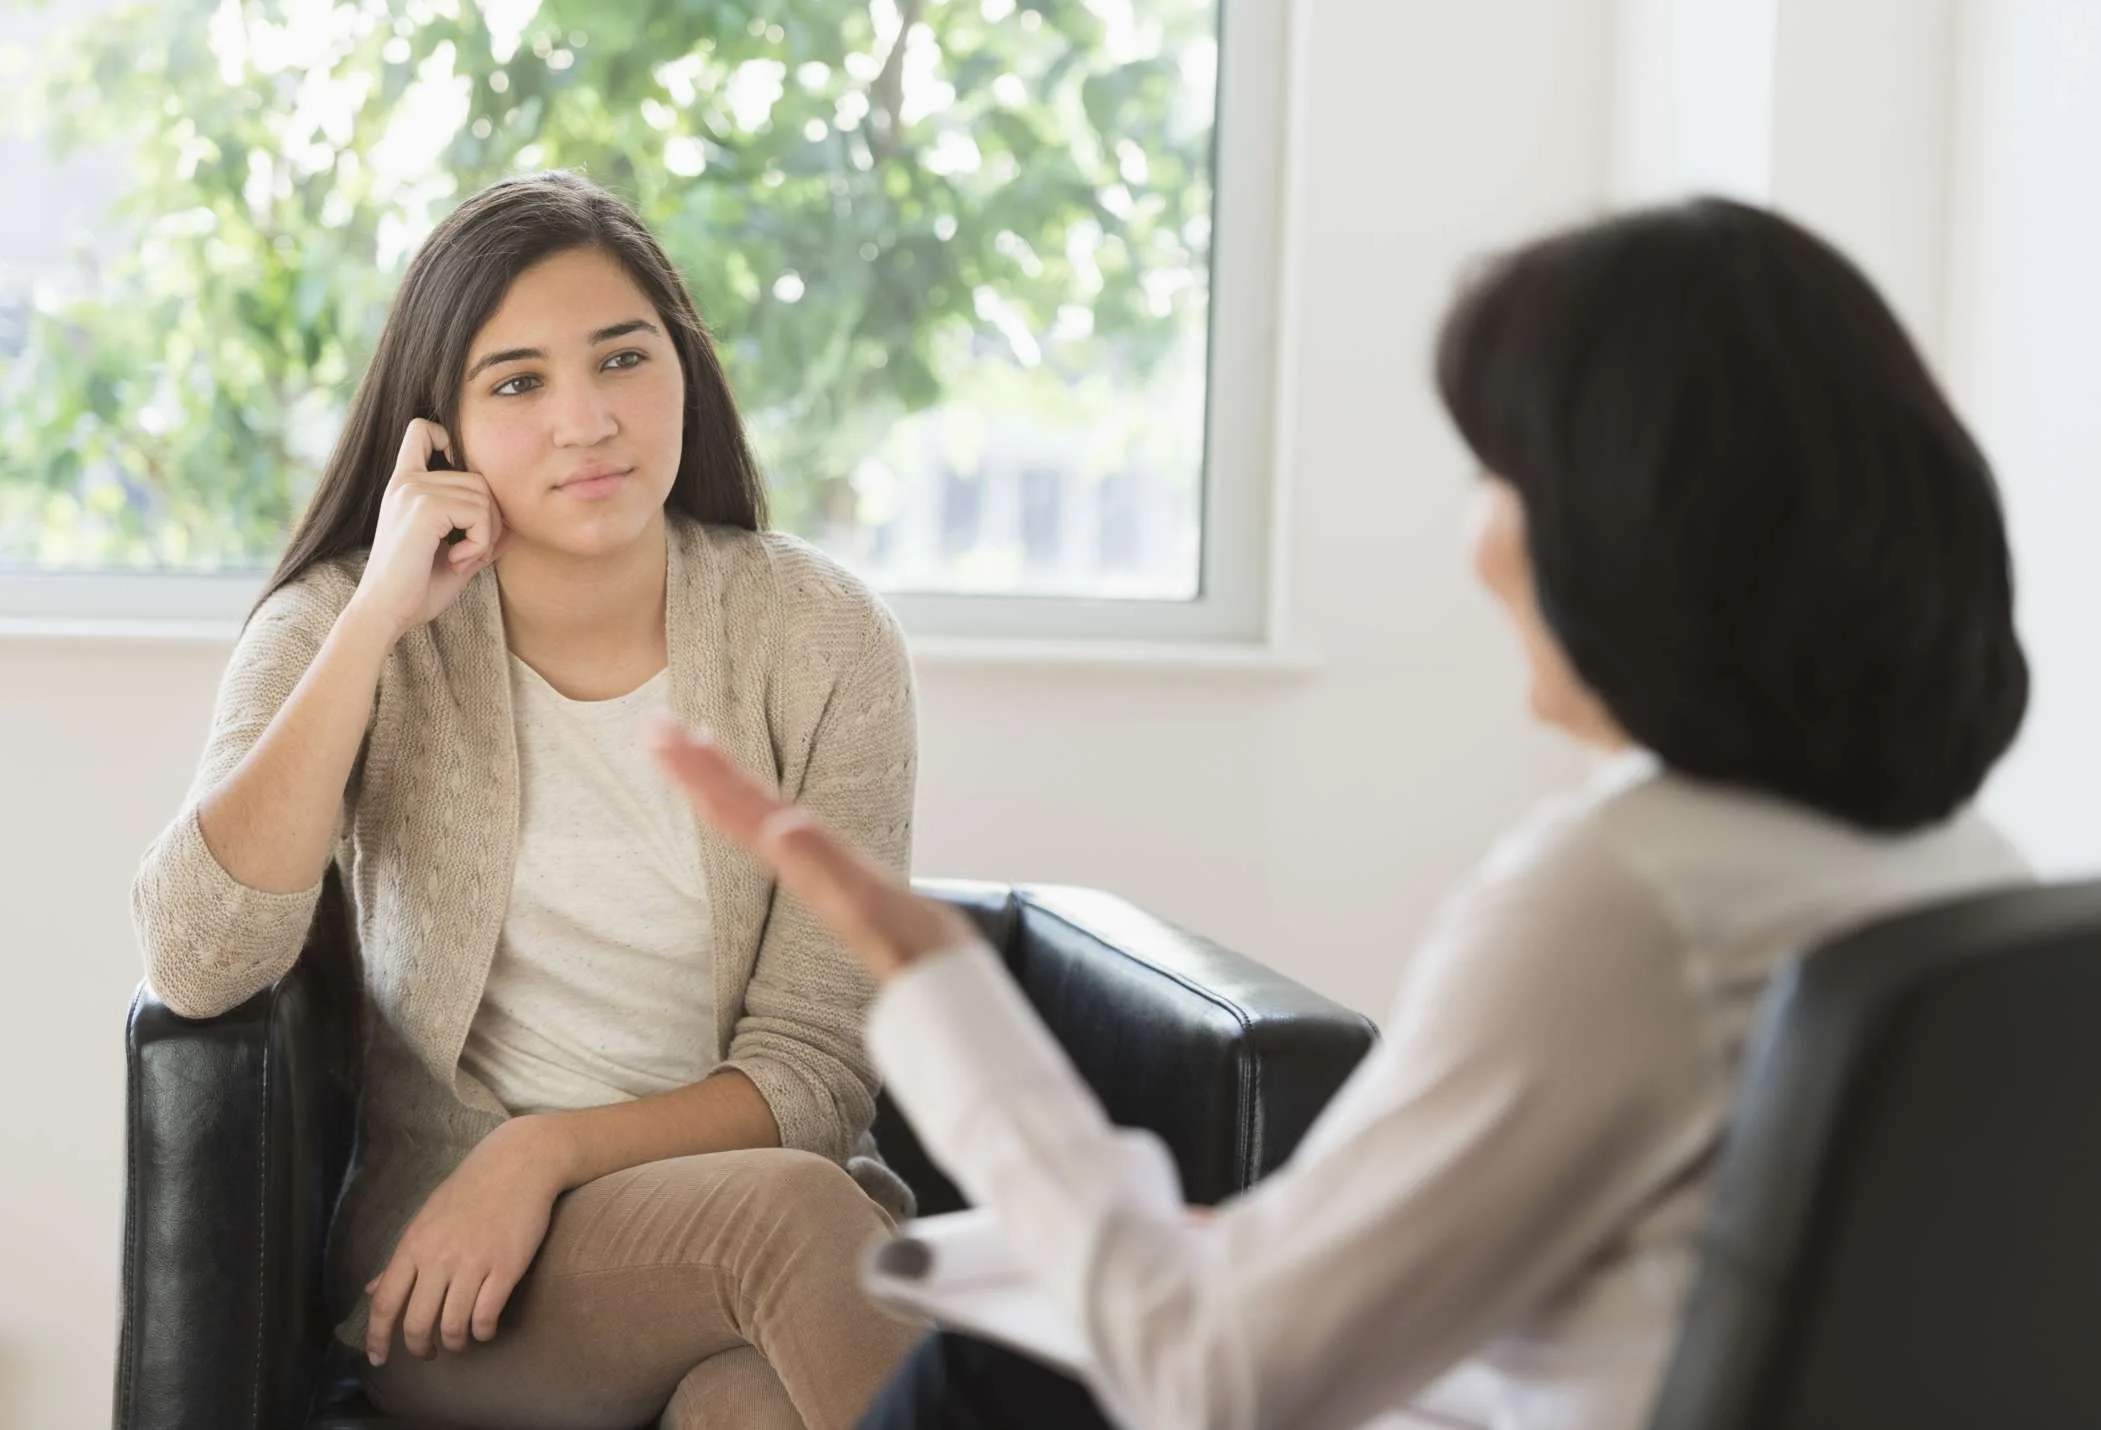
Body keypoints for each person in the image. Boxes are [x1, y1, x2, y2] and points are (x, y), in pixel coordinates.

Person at [648, 198, 2034, 1430]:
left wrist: (937, 979)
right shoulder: (1960, 864)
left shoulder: (1625, 894)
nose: (1480, 538)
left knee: (1004, 1364)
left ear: (1629, 526)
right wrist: (1265, 1248)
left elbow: (1209, 1384)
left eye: (1502, 476)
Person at [131, 171, 923, 1430]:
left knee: (756, 1407)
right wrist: (377, 616)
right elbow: (198, 958)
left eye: (623, 358)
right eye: (517, 383)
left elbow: (817, 1069)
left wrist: (544, 1150)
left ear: (685, 369)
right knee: (792, 1215)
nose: (588, 420)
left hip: (749, 1230)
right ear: (431, 430)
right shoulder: (342, 625)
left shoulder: (820, 637)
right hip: (465, 1280)